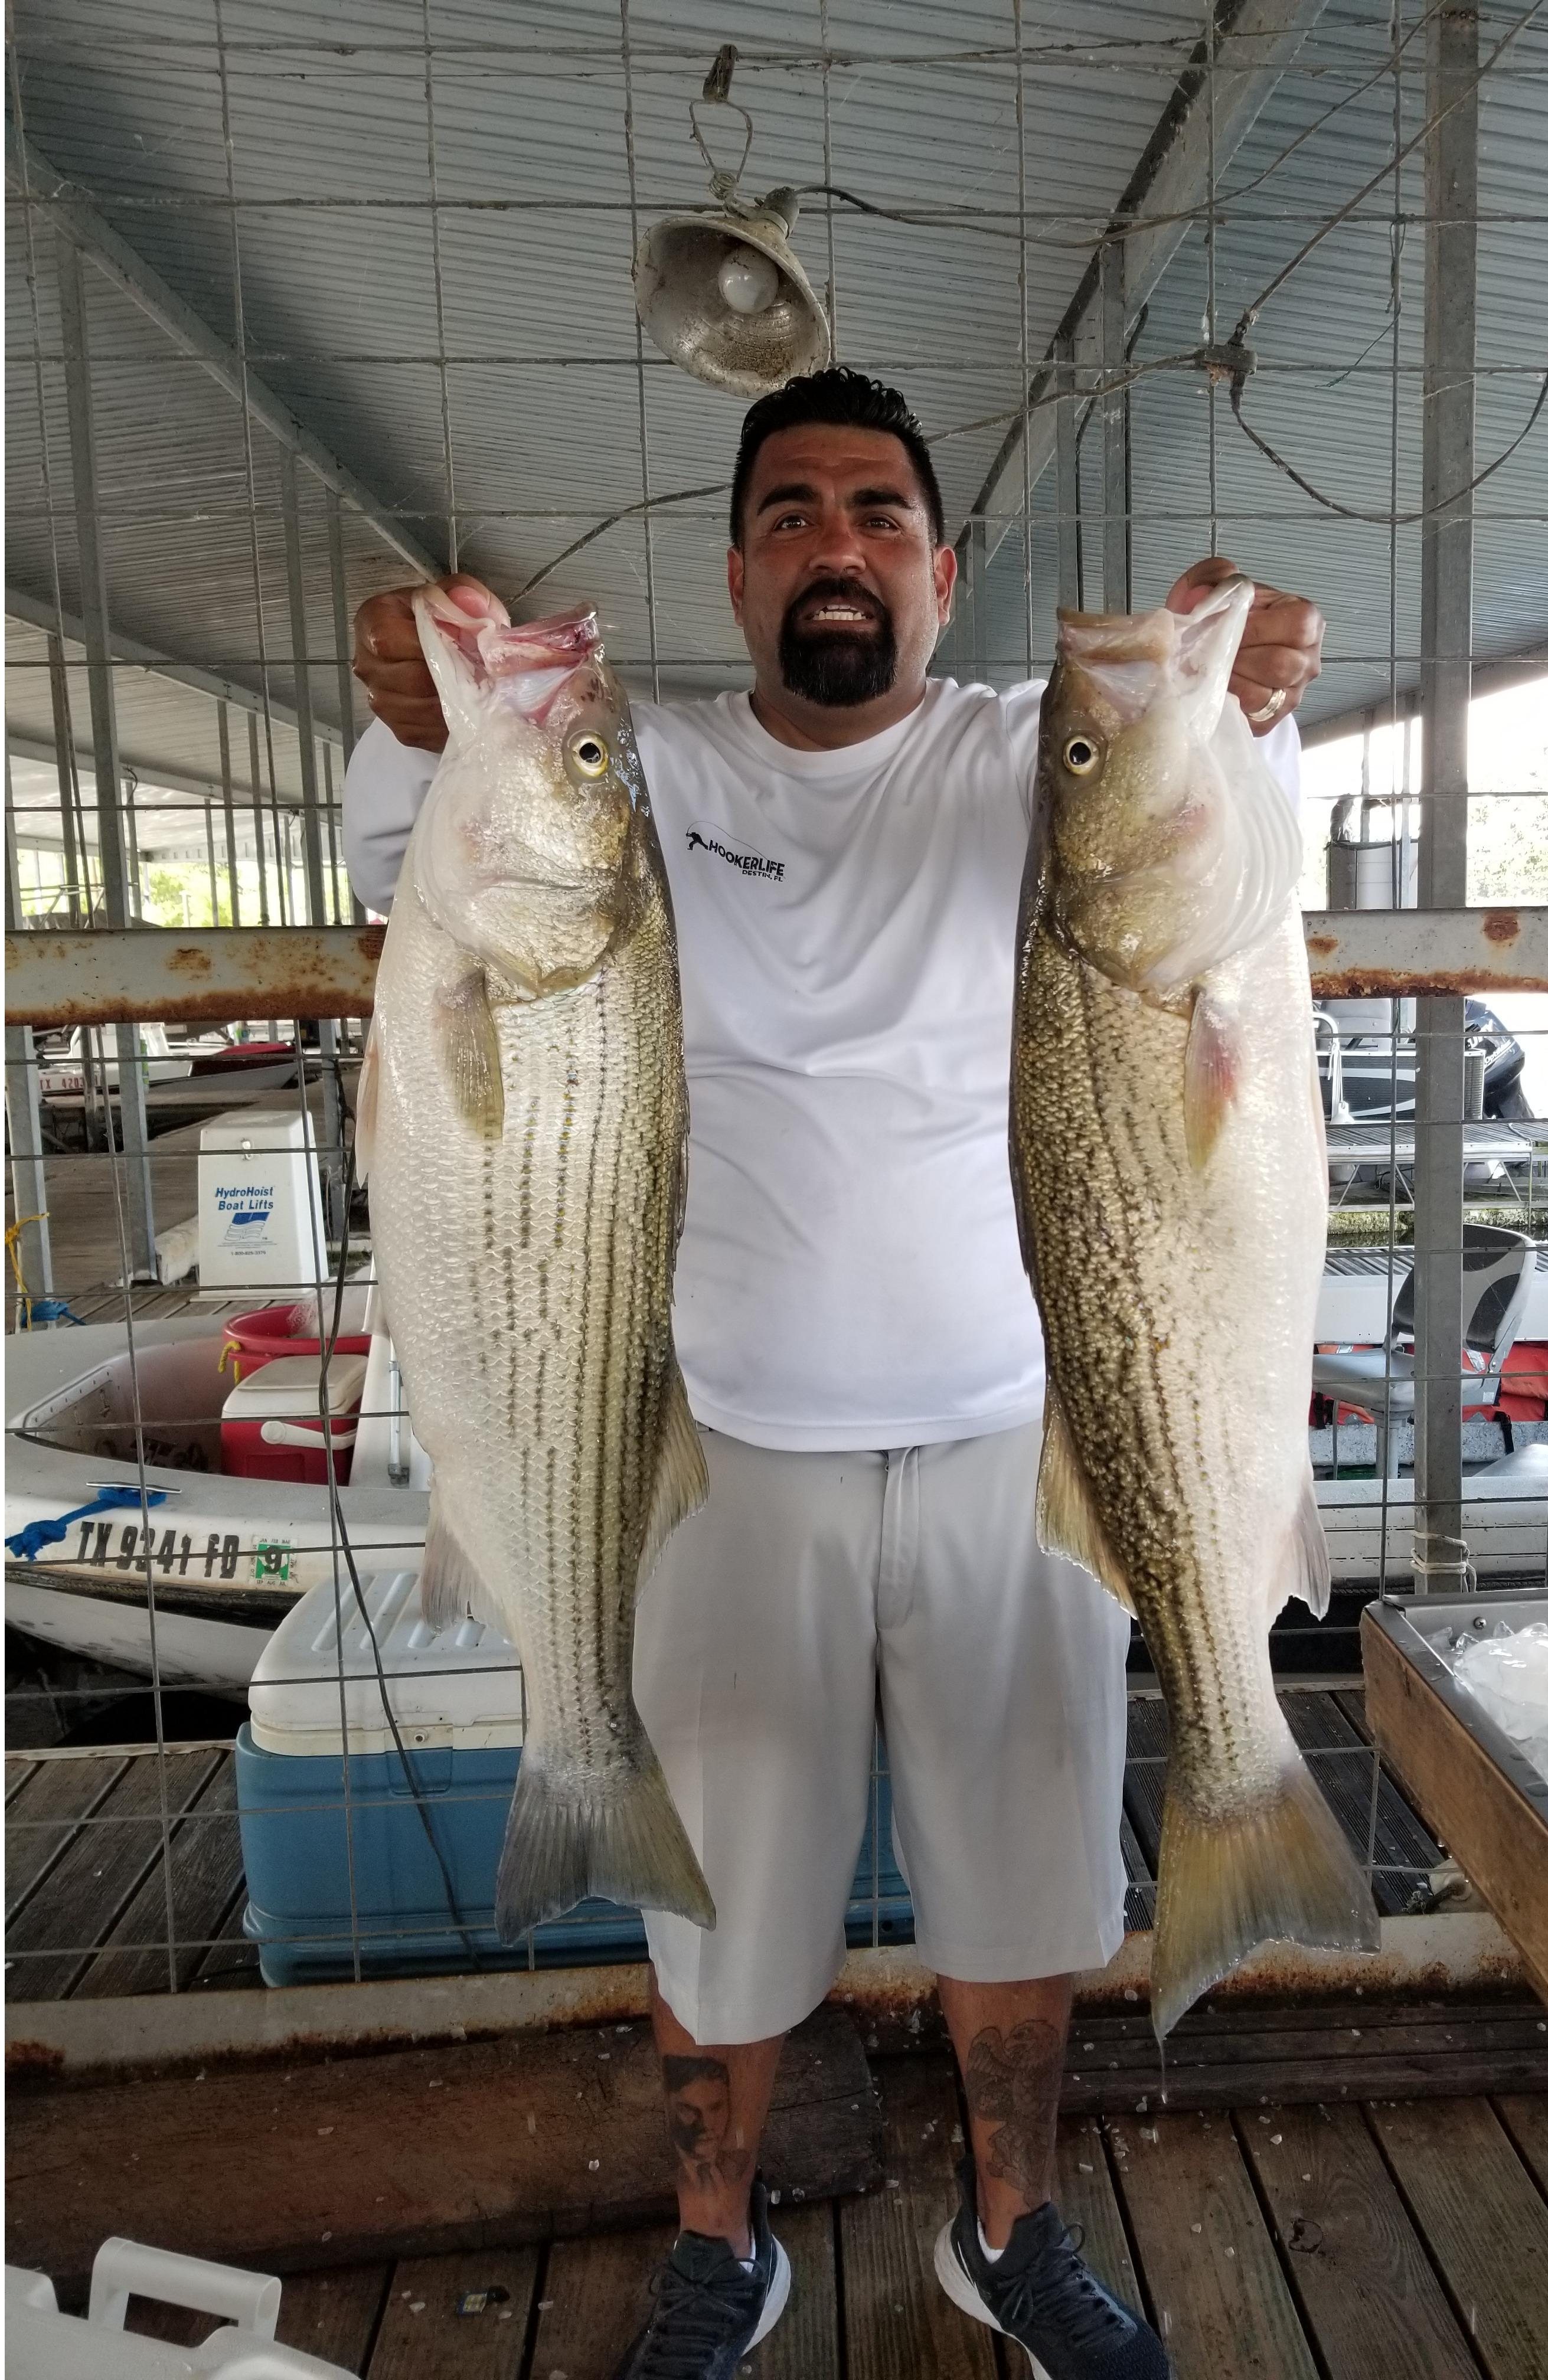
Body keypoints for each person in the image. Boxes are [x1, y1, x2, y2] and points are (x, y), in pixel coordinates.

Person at [345, 367, 1322, 2380]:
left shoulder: (1031, 761)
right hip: (716, 1448)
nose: (838, 546)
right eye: (792, 513)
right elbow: (433, 838)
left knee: (1027, 1898)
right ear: (738, 569)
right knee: (722, 1915)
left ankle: (1014, 2233)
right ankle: (723, 2248)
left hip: (1019, 1432)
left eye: (878, 513)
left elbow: (1221, 845)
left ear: (943, 571)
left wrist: (1260, 691)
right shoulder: (643, 769)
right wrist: (401, 689)